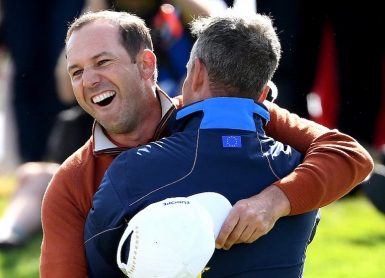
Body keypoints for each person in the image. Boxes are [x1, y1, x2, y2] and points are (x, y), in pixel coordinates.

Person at [40, 10, 373, 278]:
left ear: (145, 65)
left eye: (102, 62)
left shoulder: (223, 112)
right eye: (76, 72)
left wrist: (274, 202)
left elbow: (348, 155)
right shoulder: (71, 183)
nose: (89, 80)